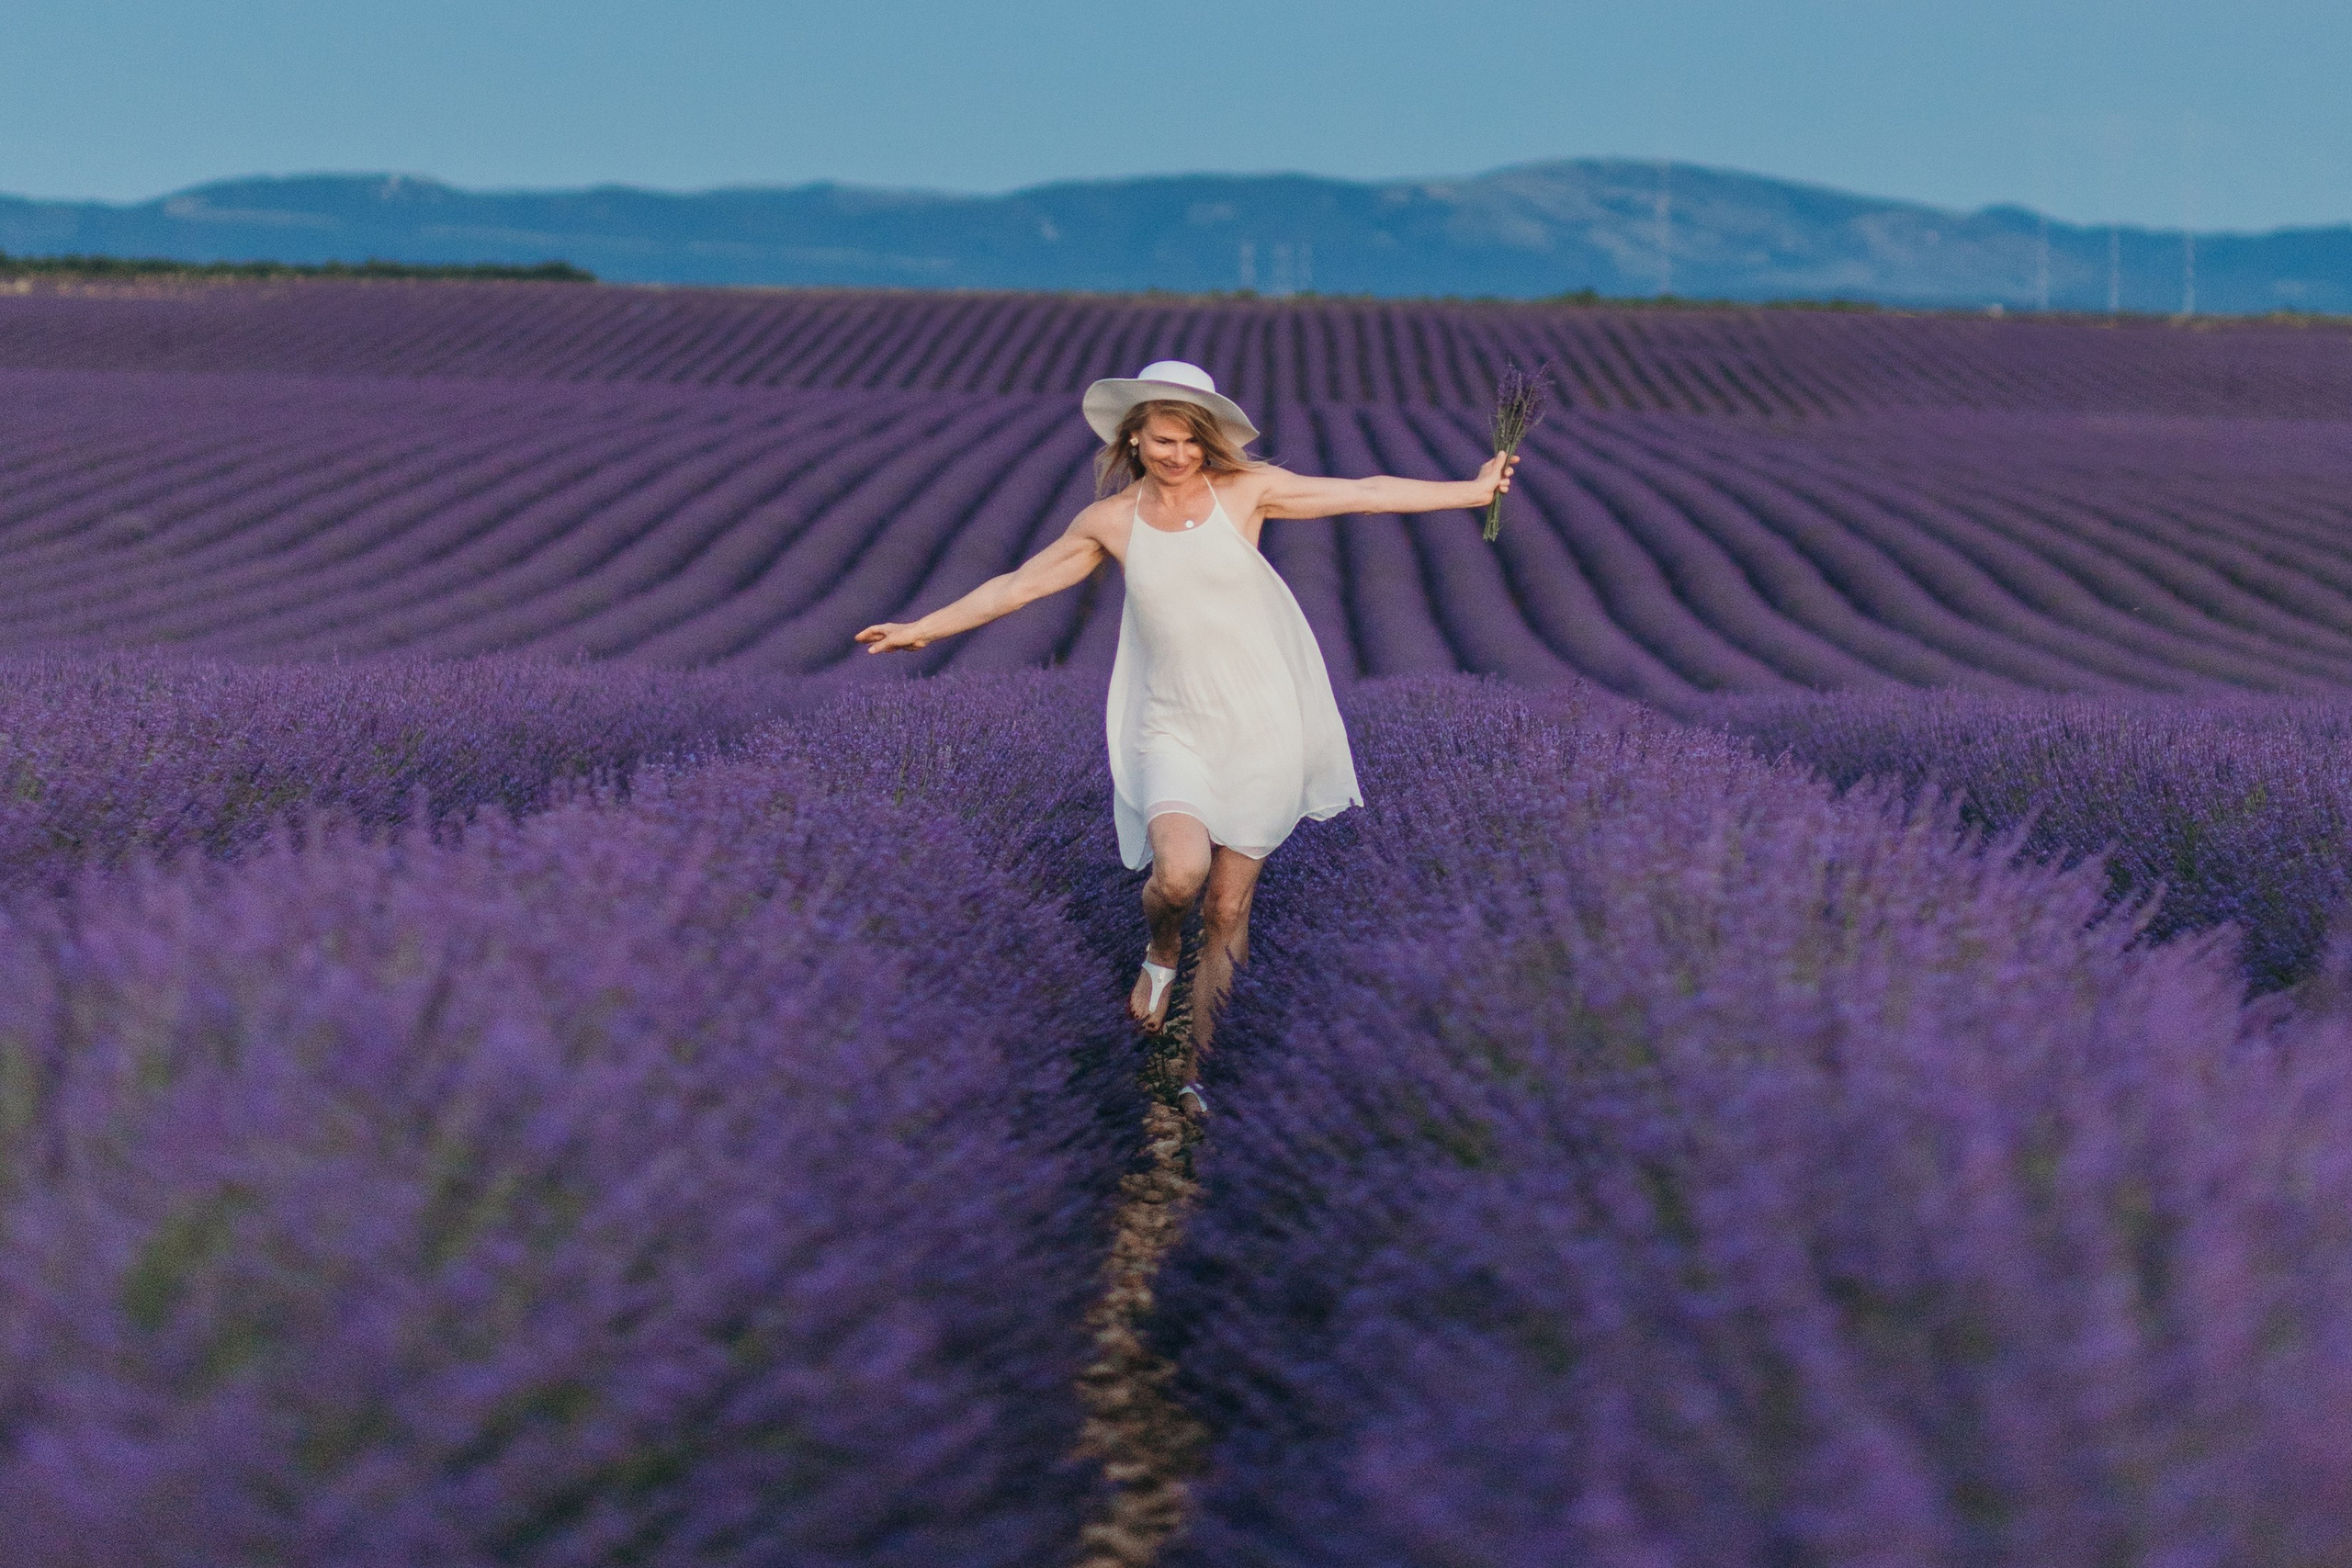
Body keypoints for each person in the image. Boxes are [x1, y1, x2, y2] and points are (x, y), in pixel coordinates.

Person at [855, 360, 1517, 1051]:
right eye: (1163, 440)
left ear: (1210, 439)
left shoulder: (1247, 492)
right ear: (1133, 439)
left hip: (1263, 723)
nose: (1178, 454)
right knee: (1178, 877)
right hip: (1172, 724)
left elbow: (1367, 493)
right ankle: (1163, 947)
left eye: (1191, 440)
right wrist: (922, 628)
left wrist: (1471, 491)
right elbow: (1018, 586)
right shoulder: (1110, 521)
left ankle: (1198, 1072)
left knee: (1228, 907)